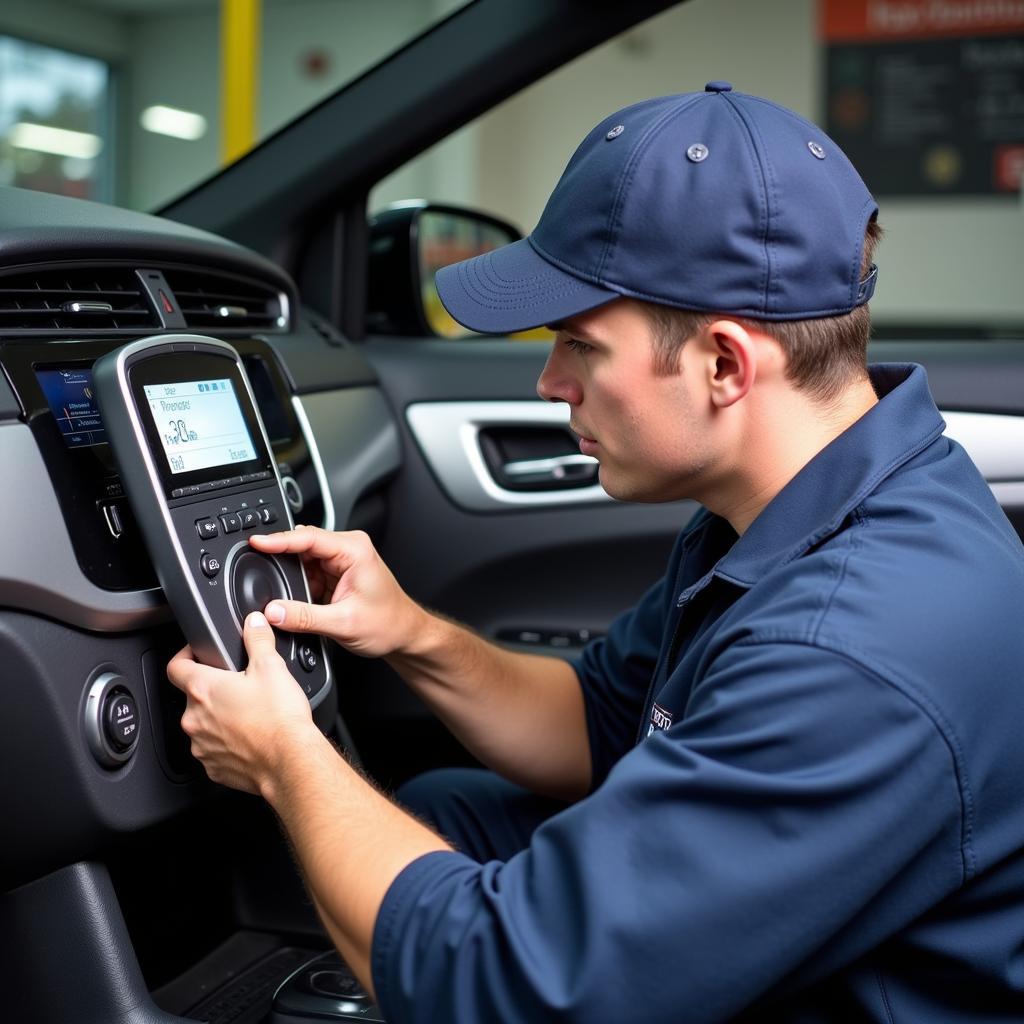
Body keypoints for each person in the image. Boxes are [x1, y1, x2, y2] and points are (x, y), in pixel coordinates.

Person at [168, 83, 1024, 1022]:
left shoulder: (849, 652)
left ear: (725, 365)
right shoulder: (796, 507)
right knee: (450, 802)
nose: (549, 383)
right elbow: (598, 725)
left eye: (580, 346)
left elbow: (503, 986)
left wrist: (285, 755)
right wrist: (411, 633)